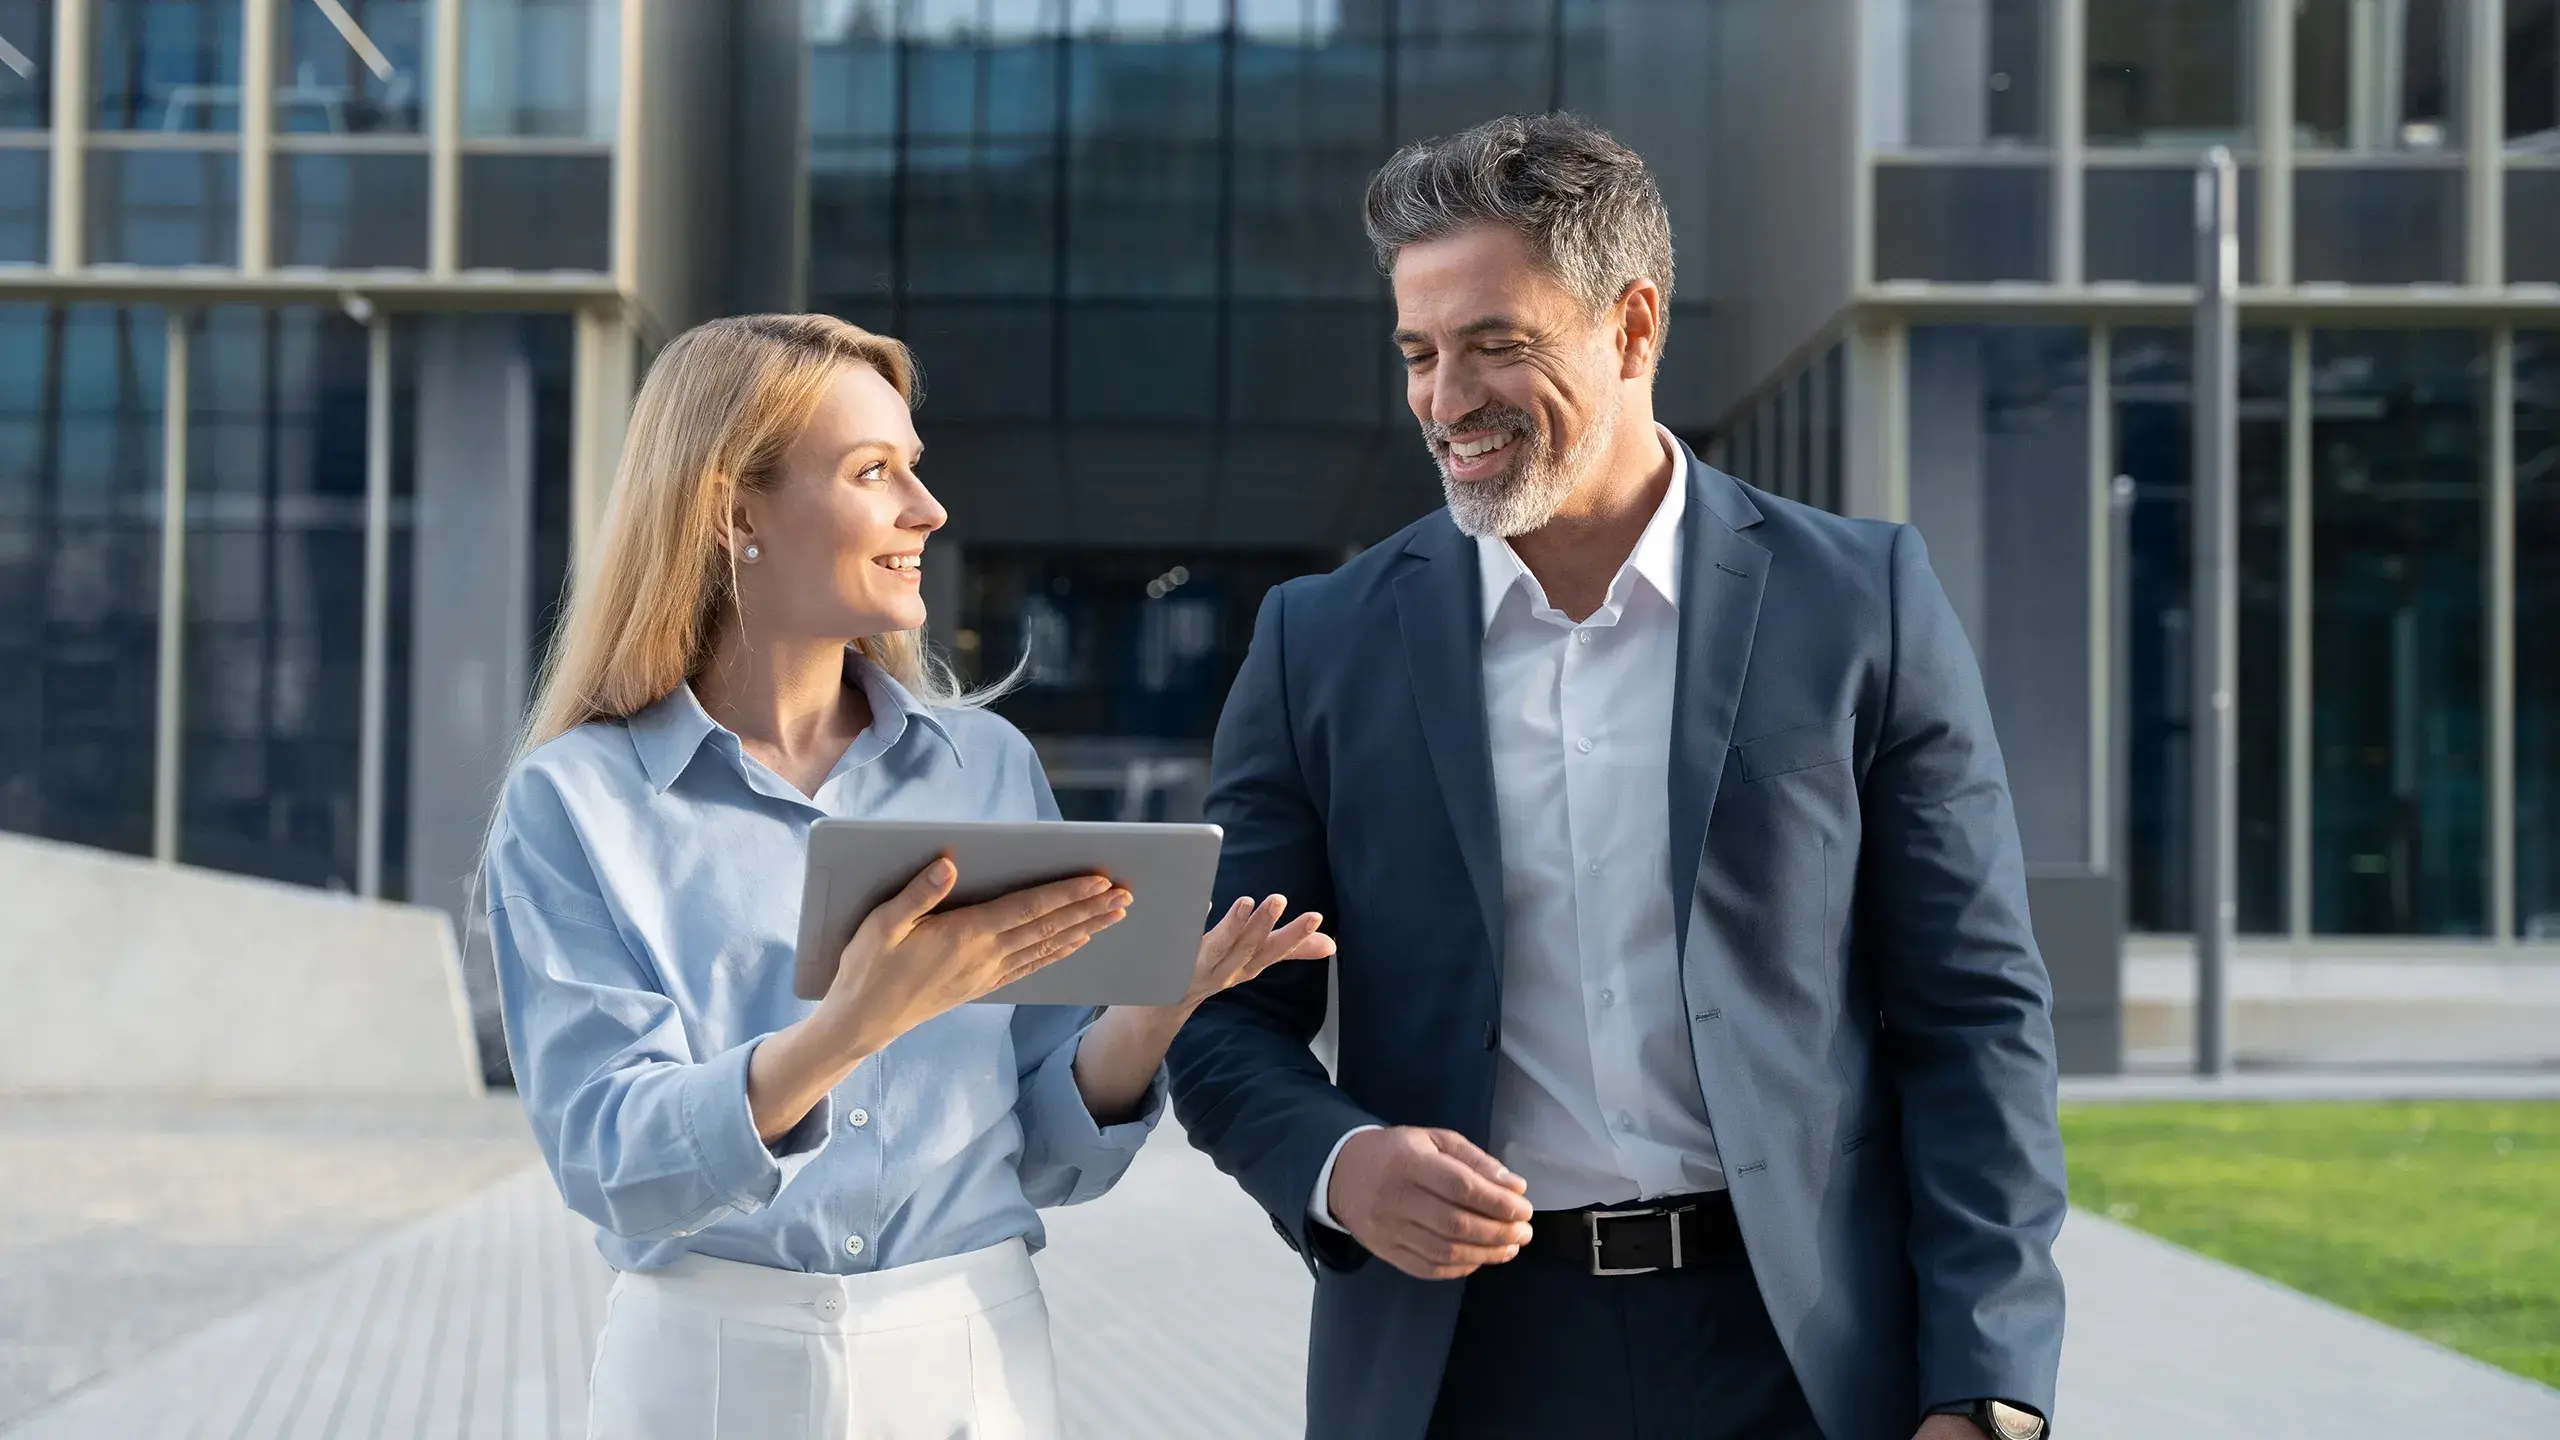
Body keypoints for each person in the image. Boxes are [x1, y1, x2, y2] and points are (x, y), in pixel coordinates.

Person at [1167, 114, 2067, 1440]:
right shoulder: (1323, 643)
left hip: (1803, 1363)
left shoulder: (1860, 603)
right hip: (1461, 1364)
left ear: (1633, 326)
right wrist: (1338, 1164)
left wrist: (1985, 1388)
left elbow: (1975, 1019)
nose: (1443, 400)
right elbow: (1218, 1013)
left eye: (1495, 345)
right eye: (1419, 353)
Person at [483, 313, 1332, 1440]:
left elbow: (1044, 1151)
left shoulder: (986, 767)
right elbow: (611, 1158)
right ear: (737, 508)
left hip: (971, 1362)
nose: (925, 513)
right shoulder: (574, 804)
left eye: (914, 472)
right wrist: (853, 1024)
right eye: (872, 474)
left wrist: (1151, 1014)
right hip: (707, 1375)